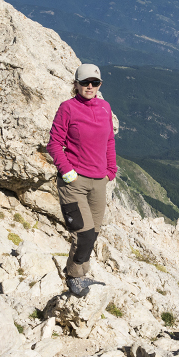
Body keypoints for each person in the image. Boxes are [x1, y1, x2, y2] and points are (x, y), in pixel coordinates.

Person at [46, 63, 117, 296]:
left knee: (92, 232)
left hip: (99, 181)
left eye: (94, 83)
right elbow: (54, 143)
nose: (89, 86)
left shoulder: (105, 107)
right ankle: (74, 277)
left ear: (99, 85)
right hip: (74, 181)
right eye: (85, 82)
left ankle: (81, 273)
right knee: (83, 232)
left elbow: (109, 141)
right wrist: (66, 170)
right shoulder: (68, 108)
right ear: (75, 84)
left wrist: (111, 171)